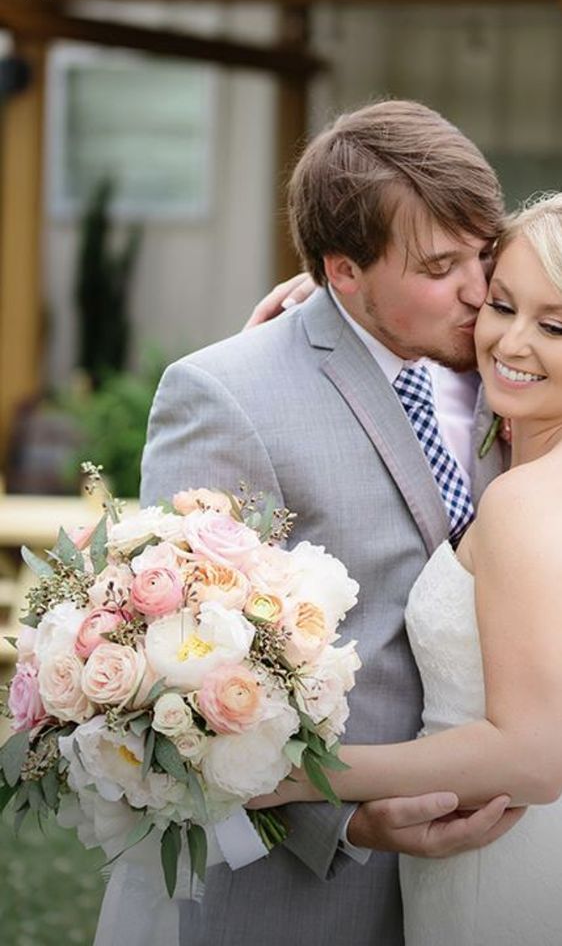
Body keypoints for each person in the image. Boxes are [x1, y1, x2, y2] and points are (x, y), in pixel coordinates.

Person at [139, 99, 520, 946]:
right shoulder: (227, 395)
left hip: (505, 865)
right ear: (343, 271)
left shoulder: (517, 358)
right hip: (315, 889)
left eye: (485, 252)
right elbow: (181, 688)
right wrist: (348, 822)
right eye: (440, 266)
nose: (479, 288)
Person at [251, 192, 562, 945]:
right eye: (500, 305)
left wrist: (293, 775)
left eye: (555, 326)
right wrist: (336, 310)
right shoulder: (511, 453)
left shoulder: (523, 500)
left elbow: (533, 755)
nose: (512, 341)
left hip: (501, 864)